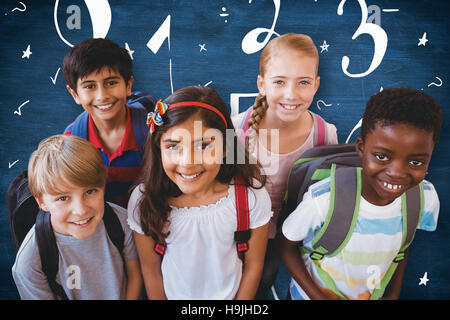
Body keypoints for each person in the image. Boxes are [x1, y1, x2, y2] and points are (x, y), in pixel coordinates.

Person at [279, 88, 442, 300]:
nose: (397, 173)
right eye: (382, 156)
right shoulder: (324, 200)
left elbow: (402, 243)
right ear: (361, 147)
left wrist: (393, 293)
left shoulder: (424, 198)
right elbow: (285, 247)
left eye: (416, 162)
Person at [127, 86, 272, 299]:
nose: (188, 162)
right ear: (159, 149)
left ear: (225, 147)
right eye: (173, 146)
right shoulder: (144, 200)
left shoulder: (250, 198)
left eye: (204, 145)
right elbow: (151, 271)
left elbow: (253, 267)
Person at [232, 33, 338, 298]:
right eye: (279, 81)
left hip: (294, 237)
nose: (291, 95)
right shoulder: (234, 130)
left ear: (316, 85)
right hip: (239, 237)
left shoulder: (326, 134)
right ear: (262, 84)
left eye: (303, 82)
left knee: (266, 281)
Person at [12, 135, 142, 299]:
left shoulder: (122, 222)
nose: (80, 211)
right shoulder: (30, 261)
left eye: (90, 191)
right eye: (63, 198)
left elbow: (135, 276)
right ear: (42, 202)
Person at [62, 38, 152, 208]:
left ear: (128, 85)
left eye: (111, 83)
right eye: (89, 86)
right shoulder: (72, 140)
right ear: (74, 94)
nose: (102, 96)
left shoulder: (153, 129)